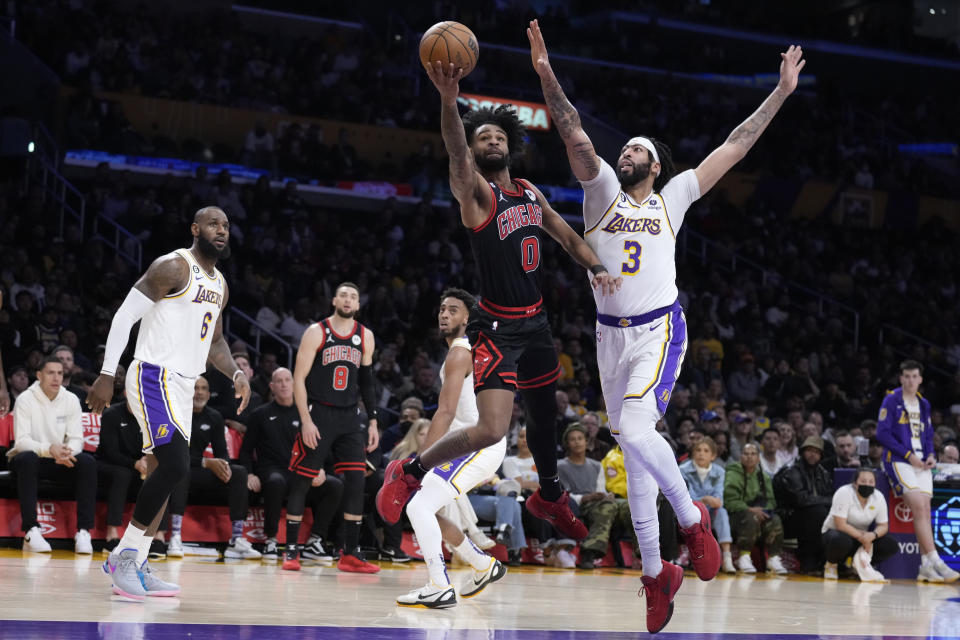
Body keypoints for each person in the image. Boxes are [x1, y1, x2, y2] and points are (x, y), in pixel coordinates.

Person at [529, 20, 805, 631]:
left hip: (659, 327)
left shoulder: (672, 196)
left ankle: (694, 523)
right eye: (621, 149)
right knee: (634, 444)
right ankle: (657, 575)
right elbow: (574, 135)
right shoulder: (600, 192)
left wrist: (782, 92)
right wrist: (547, 75)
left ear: (654, 164)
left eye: (634, 150)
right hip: (607, 334)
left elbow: (735, 144)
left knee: (631, 425)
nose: (622, 155)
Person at [377, 53, 621, 543]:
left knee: (545, 412)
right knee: (491, 430)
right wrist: (450, 102)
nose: (492, 140)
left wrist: (596, 266)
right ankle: (410, 469)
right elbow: (454, 153)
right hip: (497, 326)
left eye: (499, 136)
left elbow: (567, 237)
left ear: (512, 147)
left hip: (536, 324)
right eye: (482, 136)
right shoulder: (477, 196)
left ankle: (549, 494)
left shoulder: (530, 193)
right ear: (473, 148)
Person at [86, 206, 251, 600]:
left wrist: (237, 375)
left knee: (167, 470)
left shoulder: (221, 284)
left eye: (226, 226)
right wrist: (109, 373)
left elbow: (216, 343)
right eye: (213, 224)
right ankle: (123, 555)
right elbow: (123, 318)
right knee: (177, 462)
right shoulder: (173, 267)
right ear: (195, 228)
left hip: (184, 383)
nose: (221, 231)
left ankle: (138, 561)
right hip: (152, 374)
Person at [397, 289, 507, 608]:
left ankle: (439, 585)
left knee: (417, 505)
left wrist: (422, 462)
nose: (444, 314)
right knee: (427, 507)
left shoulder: (460, 352)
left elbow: (444, 412)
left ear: (467, 318)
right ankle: (482, 565)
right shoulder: (463, 351)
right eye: (442, 309)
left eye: (453, 310)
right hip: (469, 442)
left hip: (478, 443)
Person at [282, 282, 380, 573]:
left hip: (350, 417)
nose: (348, 300)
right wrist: (306, 420)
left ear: (358, 305)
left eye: (354, 296)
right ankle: (291, 552)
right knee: (302, 479)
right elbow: (298, 378)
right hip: (319, 413)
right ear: (334, 300)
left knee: (357, 480)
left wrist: (373, 420)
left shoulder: (365, 336)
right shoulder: (316, 332)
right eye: (344, 295)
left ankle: (349, 554)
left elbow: (367, 382)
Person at [240, 367, 344, 562]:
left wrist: (318, 468)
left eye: (288, 380)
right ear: (272, 386)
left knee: (335, 485)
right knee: (276, 481)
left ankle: (315, 540)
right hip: (272, 471)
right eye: (279, 381)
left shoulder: (308, 414)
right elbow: (246, 450)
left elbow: (320, 448)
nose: (284, 384)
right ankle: (271, 540)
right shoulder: (259, 414)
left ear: (295, 385)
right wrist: (249, 474)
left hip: (302, 472)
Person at [876, 360, 959, 582]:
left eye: (914, 376)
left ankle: (925, 567)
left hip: (922, 462)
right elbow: (882, 434)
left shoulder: (924, 405)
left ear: (920, 379)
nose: (910, 381)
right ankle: (937, 561)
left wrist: (931, 455)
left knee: (924, 509)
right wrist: (908, 455)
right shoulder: (891, 400)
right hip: (899, 460)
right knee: (920, 506)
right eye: (906, 376)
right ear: (901, 378)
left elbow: (928, 434)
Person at [9, 356, 96, 554]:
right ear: (39, 375)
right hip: (32, 459)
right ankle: (31, 530)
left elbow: (77, 440)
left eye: (60, 373)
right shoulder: (25, 400)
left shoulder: (71, 399)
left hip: (60, 459)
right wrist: (49, 449)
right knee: (27, 458)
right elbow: (21, 442)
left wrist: (66, 453)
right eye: (50, 373)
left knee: (87, 463)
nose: (56, 378)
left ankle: (83, 531)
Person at [166, 377, 260, 560]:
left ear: (209, 395)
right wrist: (206, 463)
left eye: (203, 388)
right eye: (195, 388)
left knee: (239, 472)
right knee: (181, 470)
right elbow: (174, 455)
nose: (199, 392)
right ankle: (175, 536)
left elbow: (221, 453)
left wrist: (223, 467)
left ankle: (236, 539)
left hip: (200, 472)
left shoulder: (214, 417)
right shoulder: (175, 414)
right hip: (177, 471)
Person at [558, 423, 633, 570]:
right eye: (573, 439)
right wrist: (586, 498)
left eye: (580, 438)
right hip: (578, 504)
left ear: (587, 441)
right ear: (567, 444)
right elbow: (562, 494)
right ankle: (589, 553)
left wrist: (605, 495)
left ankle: (643, 554)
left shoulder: (596, 465)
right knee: (607, 507)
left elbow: (600, 489)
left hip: (598, 502)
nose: (577, 442)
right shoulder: (560, 466)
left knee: (630, 506)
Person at [723, 443, 787, 575]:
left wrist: (764, 511)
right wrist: (750, 509)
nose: (749, 457)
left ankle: (773, 558)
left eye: (753, 454)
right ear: (740, 457)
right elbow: (729, 502)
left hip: (758, 515)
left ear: (759, 458)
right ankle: (744, 557)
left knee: (775, 519)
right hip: (735, 518)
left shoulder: (764, 477)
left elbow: (771, 501)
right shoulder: (732, 473)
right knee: (750, 517)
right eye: (746, 454)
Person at [821, 469, 895, 581]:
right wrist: (862, 537)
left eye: (871, 481)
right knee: (840, 540)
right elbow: (840, 524)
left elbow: (883, 526)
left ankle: (857, 565)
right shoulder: (844, 492)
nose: (867, 484)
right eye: (863, 481)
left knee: (890, 545)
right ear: (855, 483)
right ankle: (831, 564)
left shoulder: (878, 497)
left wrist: (872, 535)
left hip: (862, 537)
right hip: (836, 533)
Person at [773, 436, 832, 574]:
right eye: (809, 451)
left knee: (826, 514)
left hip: (811, 516)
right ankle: (808, 561)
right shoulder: (792, 471)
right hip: (788, 516)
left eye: (816, 452)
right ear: (802, 452)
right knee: (818, 513)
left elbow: (829, 496)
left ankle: (828, 561)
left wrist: (828, 501)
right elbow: (801, 500)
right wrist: (828, 500)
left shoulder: (823, 473)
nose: (813, 455)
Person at [679, 438, 736, 573]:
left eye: (706, 451)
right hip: (689, 511)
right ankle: (698, 557)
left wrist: (709, 501)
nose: (701, 454)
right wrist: (705, 500)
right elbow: (687, 499)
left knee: (721, 511)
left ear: (713, 456)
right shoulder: (682, 470)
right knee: (696, 512)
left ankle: (727, 556)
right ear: (693, 453)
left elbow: (718, 499)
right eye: (698, 450)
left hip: (711, 510)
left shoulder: (720, 471)